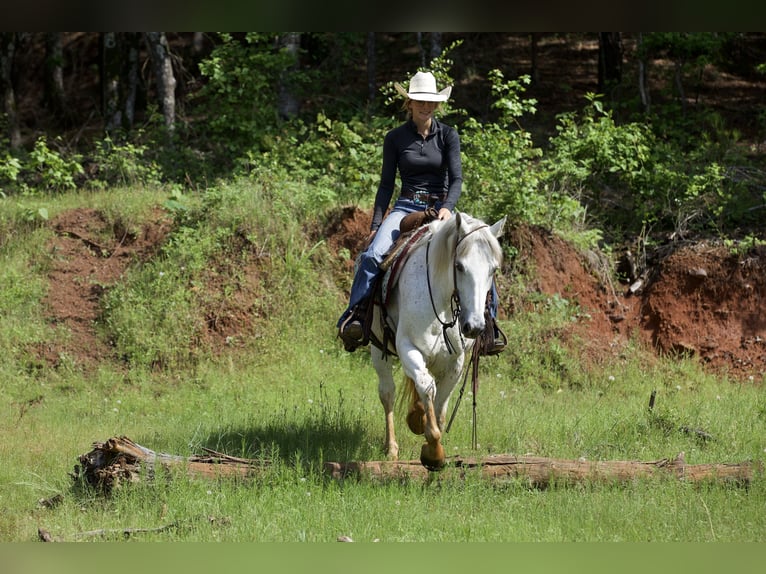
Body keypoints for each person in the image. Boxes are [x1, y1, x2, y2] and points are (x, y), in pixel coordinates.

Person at [337, 71, 505, 355]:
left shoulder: (448, 135)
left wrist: (446, 209)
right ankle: (357, 317)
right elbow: (387, 184)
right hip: (406, 206)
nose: (425, 106)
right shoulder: (395, 138)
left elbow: (457, 179)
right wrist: (377, 224)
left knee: (479, 253)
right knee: (372, 256)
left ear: (437, 104)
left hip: (442, 208)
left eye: (430, 101)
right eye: (419, 101)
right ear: (409, 102)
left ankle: (489, 324)